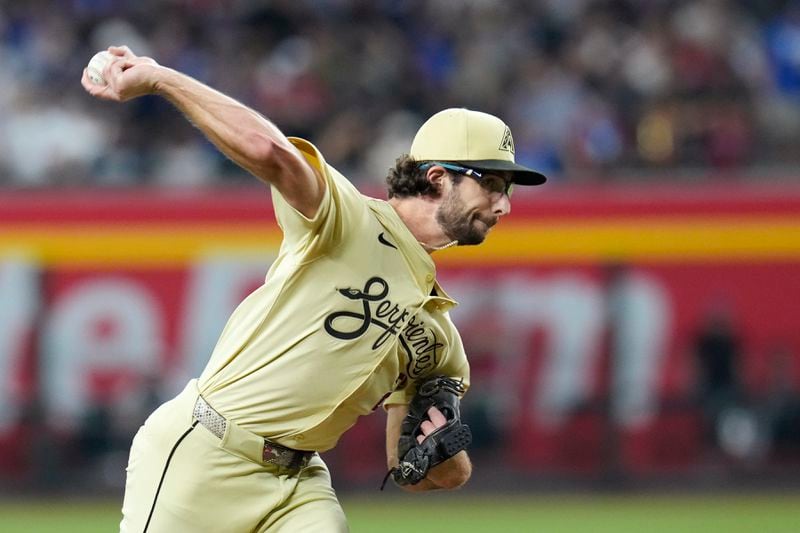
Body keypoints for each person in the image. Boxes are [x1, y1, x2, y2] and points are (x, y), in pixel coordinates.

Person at [82, 45, 546, 532]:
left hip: (299, 485)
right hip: (205, 455)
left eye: (507, 189)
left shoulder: (439, 339)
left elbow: (408, 468)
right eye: (491, 183)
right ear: (437, 177)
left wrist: (446, 454)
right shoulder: (348, 219)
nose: (503, 205)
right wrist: (160, 78)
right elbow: (271, 153)